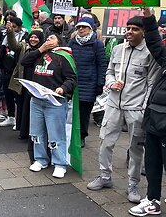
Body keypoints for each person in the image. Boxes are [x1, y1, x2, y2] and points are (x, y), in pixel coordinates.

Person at [87, 16, 160, 204]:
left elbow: (151, 83)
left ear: (144, 32)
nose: (129, 31)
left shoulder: (150, 54)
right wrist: (111, 83)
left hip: (135, 108)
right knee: (105, 141)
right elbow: (109, 71)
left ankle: (133, 184)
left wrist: (144, 109)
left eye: (135, 29)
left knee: (136, 147)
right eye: (128, 28)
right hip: (113, 105)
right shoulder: (118, 49)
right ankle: (104, 176)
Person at [21, 33, 77, 179]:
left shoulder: (64, 57)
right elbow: (24, 61)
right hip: (37, 100)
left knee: (56, 134)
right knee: (36, 132)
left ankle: (59, 163)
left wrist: (63, 88)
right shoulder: (39, 54)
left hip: (55, 102)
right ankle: (40, 159)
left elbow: (71, 78)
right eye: (47, 38)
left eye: (51, 38)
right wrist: (40, 49)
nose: (48, 40)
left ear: (59, 42)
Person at [128, 8, 166, 216]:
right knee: (152, 163)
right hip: (154, 118)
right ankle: (152, 200)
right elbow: (155, 45)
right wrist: (149, 17)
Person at [68, 17, 107, 148]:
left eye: (84, 27)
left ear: (90, 29)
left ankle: (82, 136)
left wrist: (100, 84)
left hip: (89, 84)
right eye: (79, 27)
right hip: (73, 83)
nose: (81, 30)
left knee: (84, 114)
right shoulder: (72, 43)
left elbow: (102, 65)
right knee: (72, 111)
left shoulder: (97, 44)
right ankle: (71, 134)